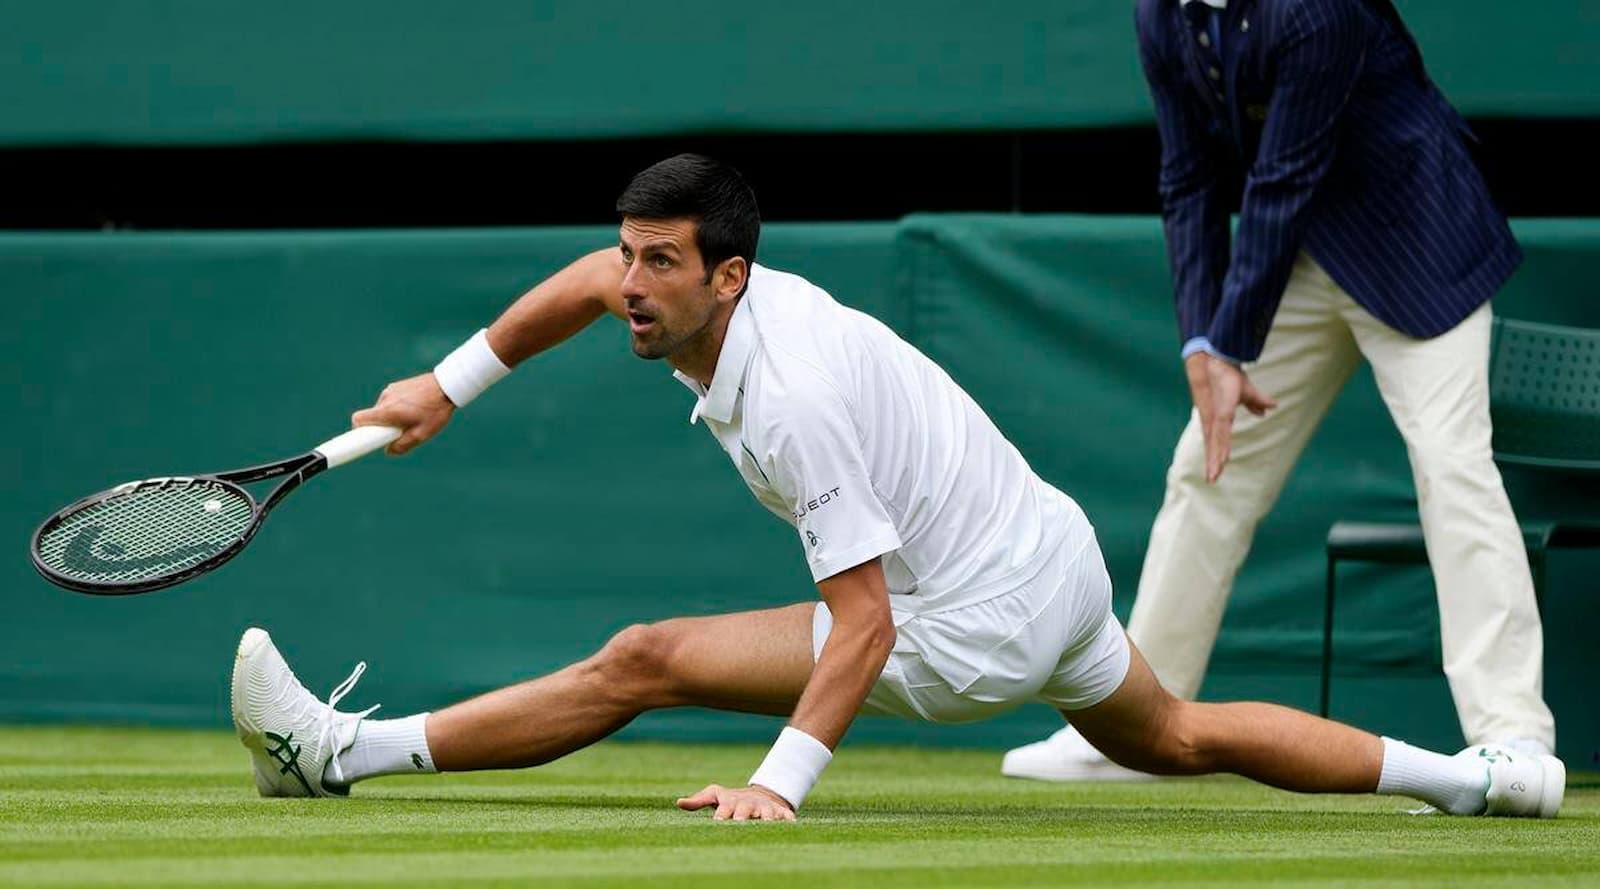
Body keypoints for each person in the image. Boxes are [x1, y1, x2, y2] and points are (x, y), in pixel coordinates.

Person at [231, 154, 1563, 821]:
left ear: (727, 277)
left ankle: (335, 755)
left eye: (659, 264)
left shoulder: (791, 397)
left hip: (975, 617)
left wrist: (782, 780)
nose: (630, 284)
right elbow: (581, 284)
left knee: (644, 657)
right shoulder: (674, 290)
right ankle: (1483, 782)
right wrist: (440, 387)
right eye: (629, 252)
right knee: (1185, 737)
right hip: (1051, 557)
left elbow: (863, 626)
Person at [1002, 0, 1556, 783]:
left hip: (1419, 244)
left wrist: (1230, 342)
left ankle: (1516, 737)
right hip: (1303, 256)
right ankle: (1132, 725)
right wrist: (1202, 342)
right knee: (1207, 467)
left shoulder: (1316, 9)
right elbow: (1187, 174)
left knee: (1451, 465)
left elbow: (1282, 176)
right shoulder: (1161, 14)